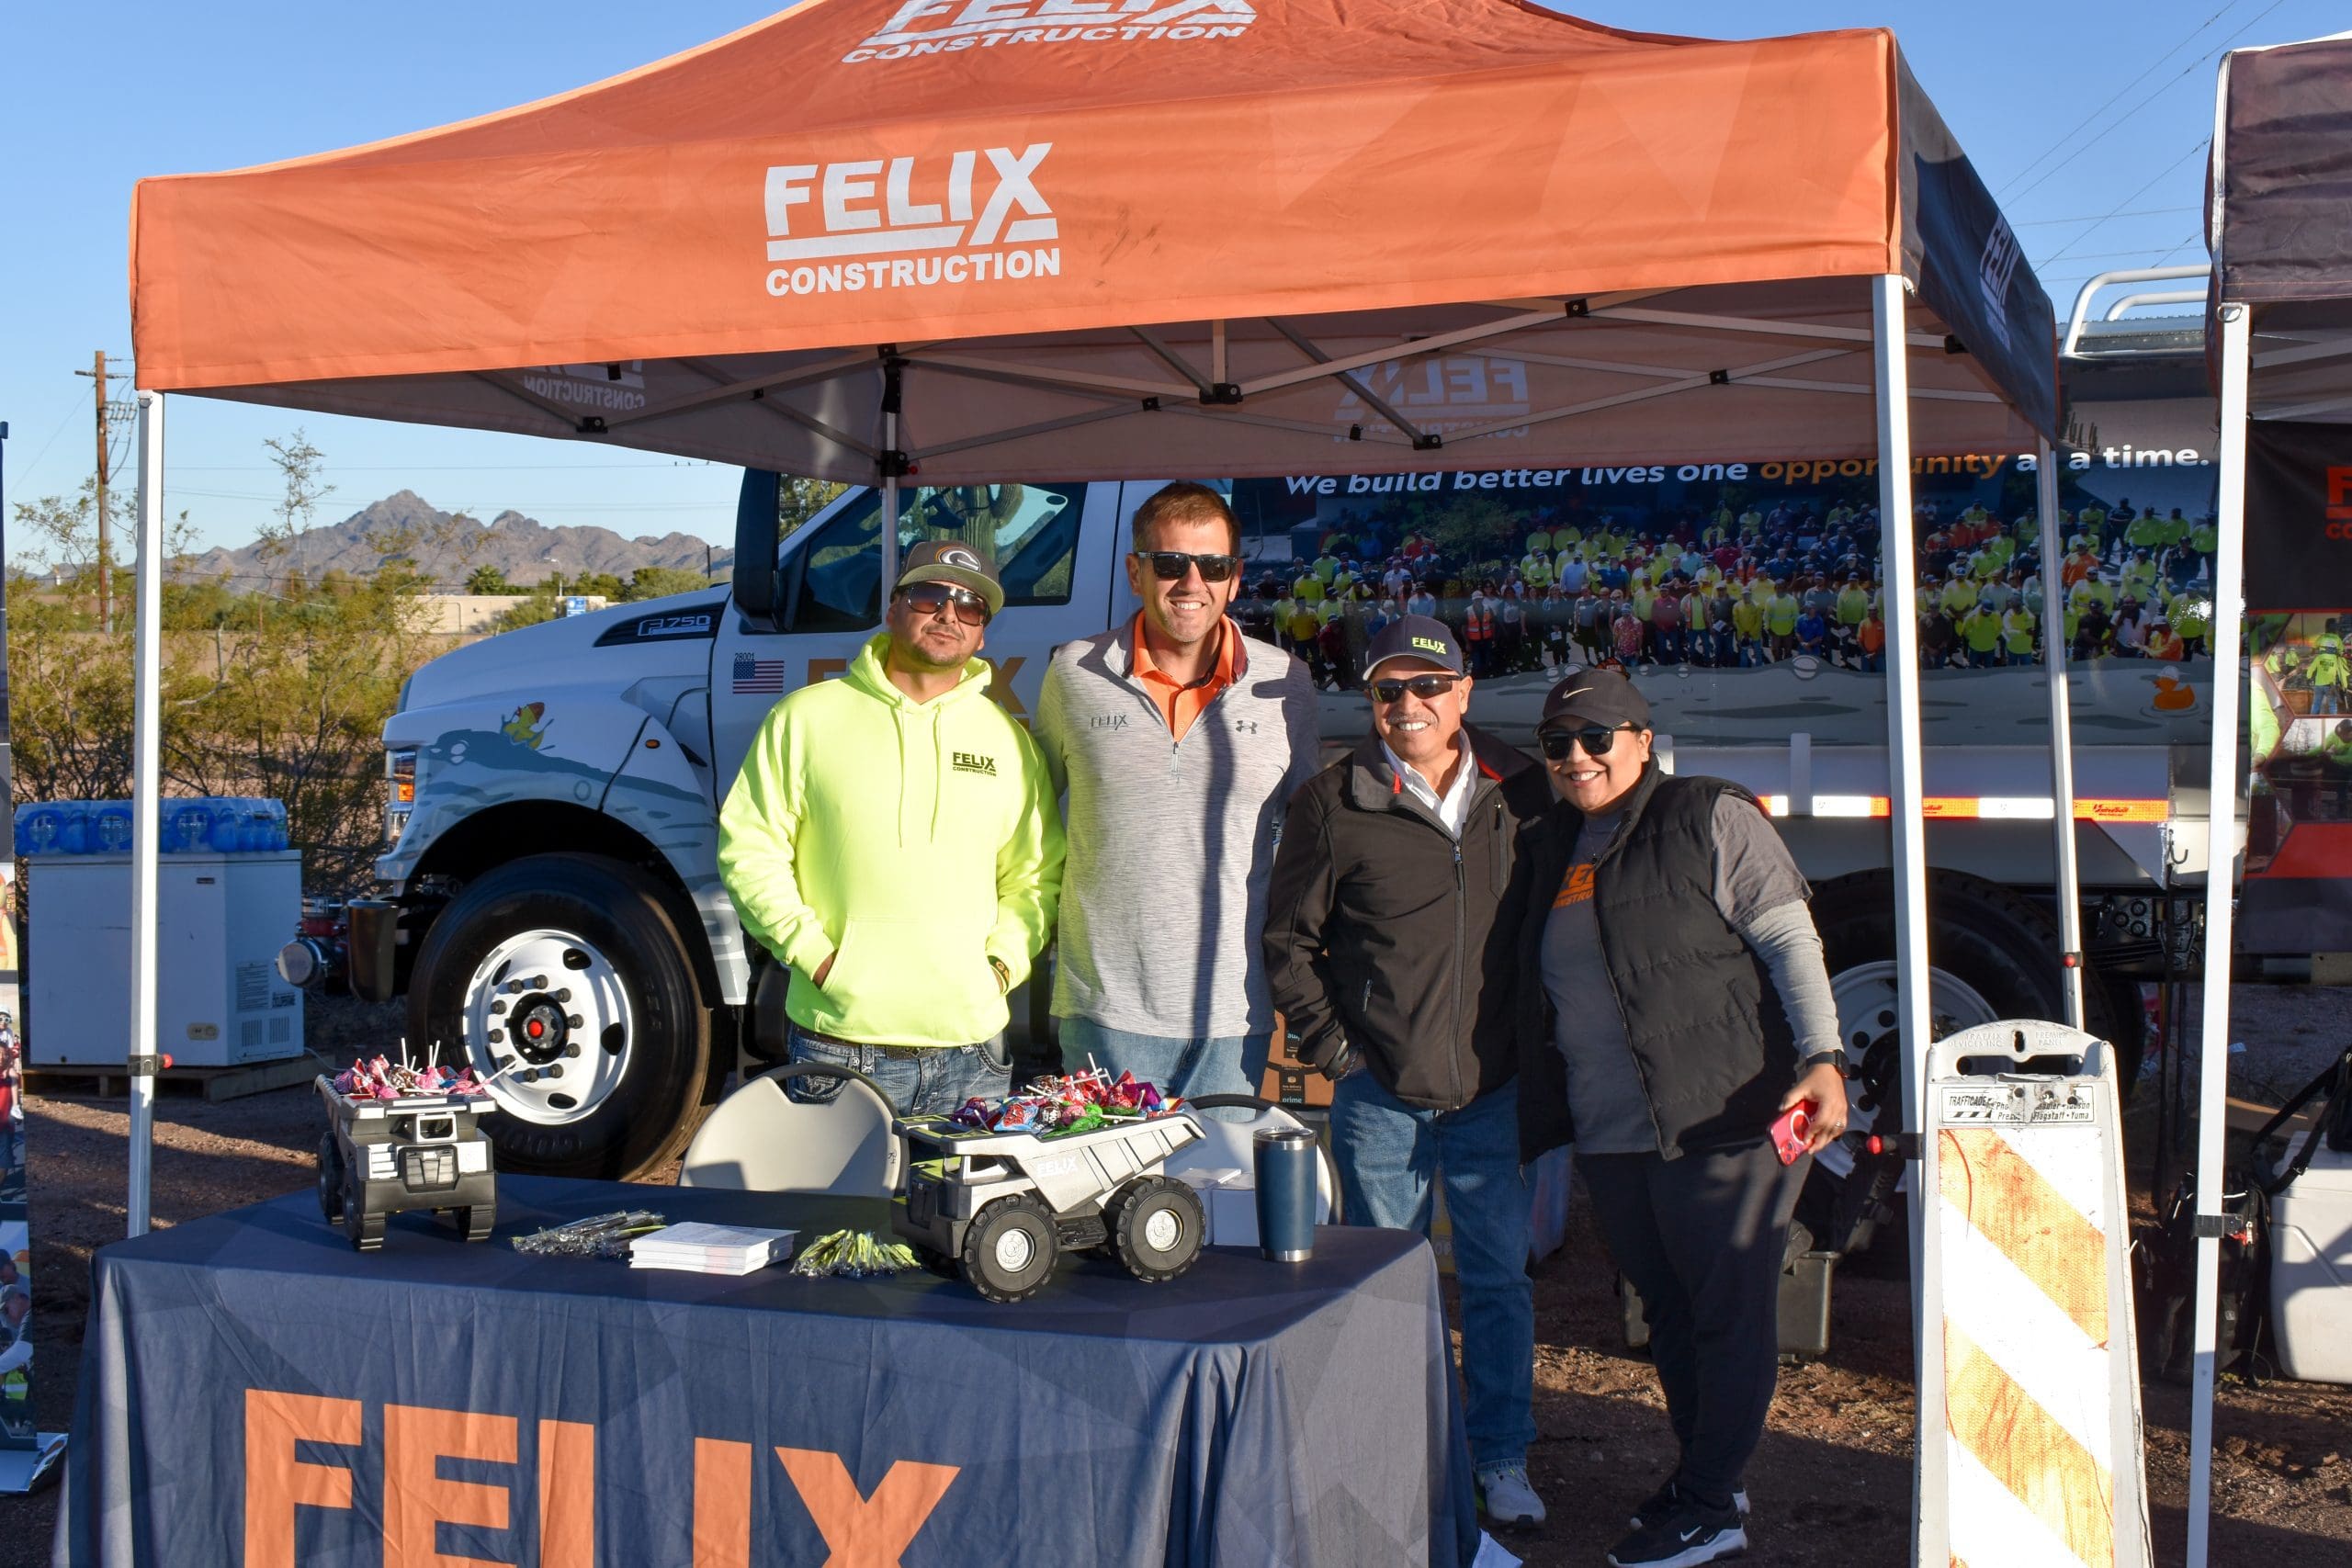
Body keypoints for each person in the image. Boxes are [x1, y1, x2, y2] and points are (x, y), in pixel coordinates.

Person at [1512, 669, 1849, 1568]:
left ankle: (1709, 1507)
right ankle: (1712, 1477)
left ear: (1640, 738)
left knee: (1725, 1310)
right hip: (1615, 1128)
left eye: (1595, 738)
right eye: (1558, 744)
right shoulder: (1554, 842)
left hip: (1726, 1113)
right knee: (1665, 1309)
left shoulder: (1705, 814)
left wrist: (1823, 1057)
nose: (1577, 757)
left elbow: (1787, 935)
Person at [1264, 615, 1553, 1531]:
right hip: (1378, 1095)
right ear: (1369, 702)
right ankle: (1389, 1450)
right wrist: (1337, 1054)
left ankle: (1500, 1456)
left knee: (1500, 1281)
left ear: (1463, 692)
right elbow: (1288, 944)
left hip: (1492, 1091)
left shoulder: (1525, 789)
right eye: (1388, 690)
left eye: (1428, 687)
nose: (1409, 705)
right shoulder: (1329, 800)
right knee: (1382, 1286)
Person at [718, 542, 1065, 1116]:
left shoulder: (1009, 742)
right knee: (841, 1209)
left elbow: (1035, 875)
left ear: (982, 635)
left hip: (971, 1048)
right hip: (839, 1041)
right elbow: (749, 850)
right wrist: (818, 957)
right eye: (932, 595)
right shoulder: (803, 719)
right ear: (894, 608)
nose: (950, 614)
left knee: (962, 1207)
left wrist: (1000, 968)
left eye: (972, 607)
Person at [1035, 483, 1319, 1102]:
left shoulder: (1286, 683)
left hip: (1237, 1015)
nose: (1191, 582)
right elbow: (1024, 821)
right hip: (1105, 1013)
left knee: (1225, 1197)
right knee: (1115, 1200)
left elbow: (1312, 841)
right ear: (1136, 571)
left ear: (1234, 579)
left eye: (1212, 565)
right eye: (1170, 563)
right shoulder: (1073, 673)